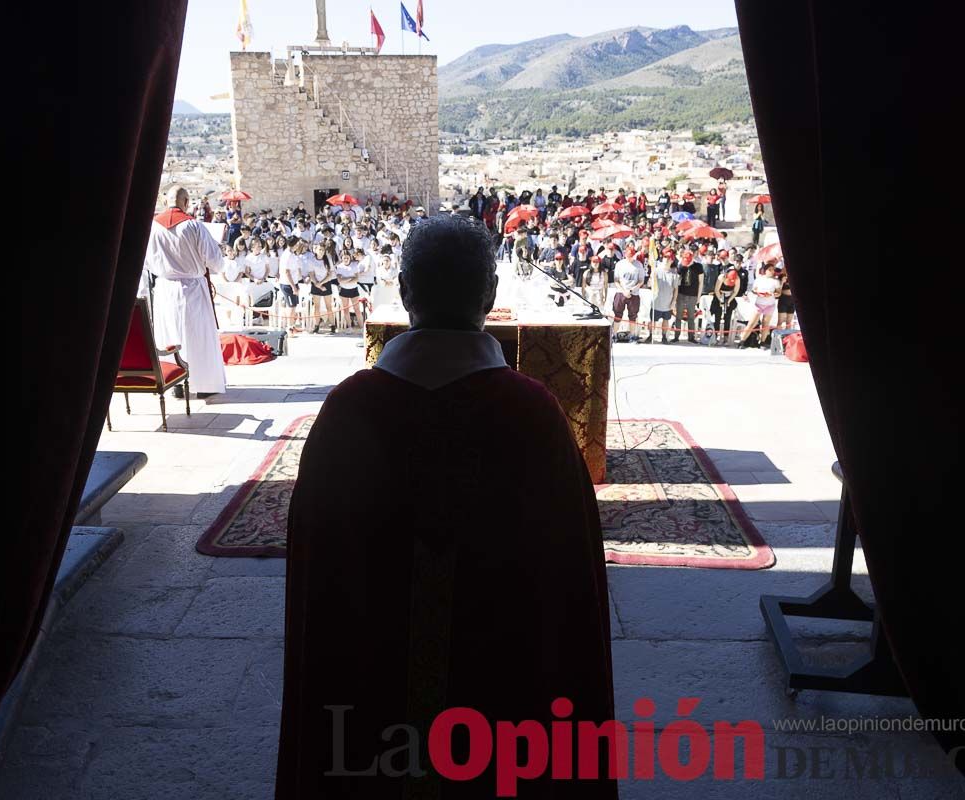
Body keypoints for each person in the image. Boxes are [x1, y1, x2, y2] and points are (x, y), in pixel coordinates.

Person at [276, 215, 616, 799]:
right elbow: (568, 585)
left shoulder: (349, 413)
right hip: (501, 723)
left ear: (405, 292)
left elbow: (320, 583)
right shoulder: (532, 415)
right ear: (490, 296)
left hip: (363, 716)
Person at [139, 186, 225, 397]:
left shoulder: (151, 228)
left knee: (170, 335)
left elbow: (146, 262)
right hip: (192, 289)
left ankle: (177, 383)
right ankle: (203, 385)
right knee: (197, 336)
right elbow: (215, 263)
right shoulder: (193, 226)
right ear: (186, 202)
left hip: (165, 289)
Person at [738, 261, 781, 348]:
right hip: (759, 303)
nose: (772, 271)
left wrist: (772, 294)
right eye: (770, 270)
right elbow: (754, 290)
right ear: (765, 271)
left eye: (773, 270)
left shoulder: (775, 281)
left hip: (770, 304)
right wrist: (759, 292)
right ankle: (742, 341)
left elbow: (778, 293)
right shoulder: (759, 279)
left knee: (766, 323)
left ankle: (762, 342)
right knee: (752, 323)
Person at [648, 249, 679, 344]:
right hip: (656, 300)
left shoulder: (674, 274)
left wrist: (673, 301)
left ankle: (664, 336)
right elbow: (650, 284)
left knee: (666, 320)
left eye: (669, 258)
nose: (666, 259)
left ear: (672, 260)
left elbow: (675, 289)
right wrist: (651, 278)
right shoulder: (656, 271)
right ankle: (650, 335)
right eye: (665, 257)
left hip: (667, 301)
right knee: (652, 320)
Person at [613, 250, 645, 342]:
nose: (629, 258)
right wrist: (624, 291)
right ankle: (614, 334)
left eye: (631, 256)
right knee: (617, 314)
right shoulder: (620, 264)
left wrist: (631, 290)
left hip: (634, 293)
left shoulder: (638, 265)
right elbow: (616, 280)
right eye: (628, 256)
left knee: (633, 315)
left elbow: (641, 281)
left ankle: (632, 335)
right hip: (621, 292)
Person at [674, 250, 704, 343]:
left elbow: (701, 282)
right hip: (681, 294)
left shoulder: (698, 266)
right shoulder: (681, 266)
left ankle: (691, 337)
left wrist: (698, 296)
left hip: (693, 294)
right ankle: (676, 336)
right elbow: (677, 281)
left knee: (691, 317)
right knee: (678, 316)